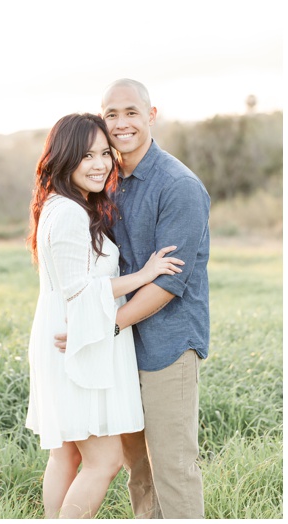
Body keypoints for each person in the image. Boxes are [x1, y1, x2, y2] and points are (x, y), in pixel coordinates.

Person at [25, 113, 184, 518]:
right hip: (75, 344)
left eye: (103, 154)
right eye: (86, 156)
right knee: (104, 461)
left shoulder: (65, 206)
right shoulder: (69, 213)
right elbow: (78, 290)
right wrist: (144, 275)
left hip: (72, 336)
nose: (99, 164)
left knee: (68, 457)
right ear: (63, 159)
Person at [100, 78, 210, 518]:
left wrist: (105, 325)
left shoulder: (178, 186)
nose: (122, 123)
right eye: (112, 114)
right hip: (122, 346)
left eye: (131, 112)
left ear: (151, 115)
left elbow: (168, 284)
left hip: (167, 343)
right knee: (139, 471)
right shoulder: (105, 180)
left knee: (173, 468)